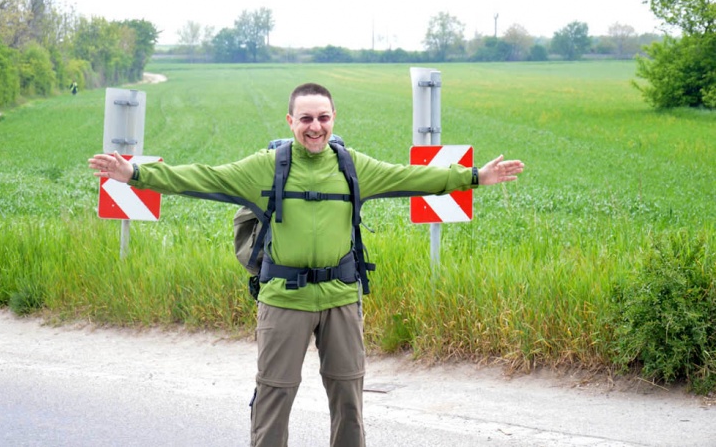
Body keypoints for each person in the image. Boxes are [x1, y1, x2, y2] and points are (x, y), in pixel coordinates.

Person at [88, 83, 524, 447]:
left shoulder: (353, 167)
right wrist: (137, 175)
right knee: (275, 395)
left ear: (334, 119)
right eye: (306, 119)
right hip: (283, 301)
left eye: (323, 118)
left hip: (340, 299)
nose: (315, 127)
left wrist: (474, 177)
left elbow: (412, 177)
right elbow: (203, 177)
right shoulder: (266, 168)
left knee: (349, 396)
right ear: (291, 122)